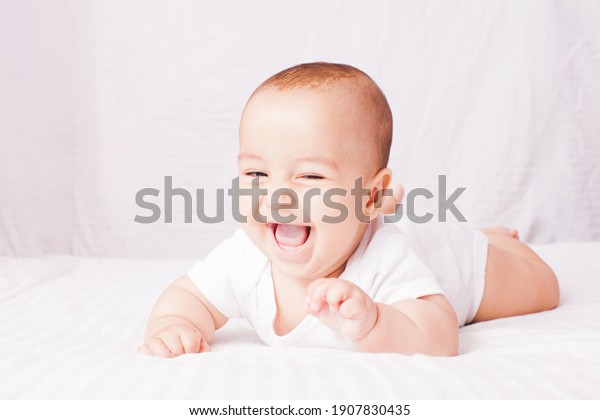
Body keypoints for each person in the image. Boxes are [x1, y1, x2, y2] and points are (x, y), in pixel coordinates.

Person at [138, 62, 559, 358]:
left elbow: (440, 334)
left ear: (371, 198)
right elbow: (187, 296)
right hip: (412, 234)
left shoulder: (384, 259)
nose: (278, 196)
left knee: (542, 287)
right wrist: (175, 325)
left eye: (310, 178)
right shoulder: (244, 258)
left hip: (456, 260)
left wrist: (377, 324)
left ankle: (493, 241)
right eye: (256, 174)